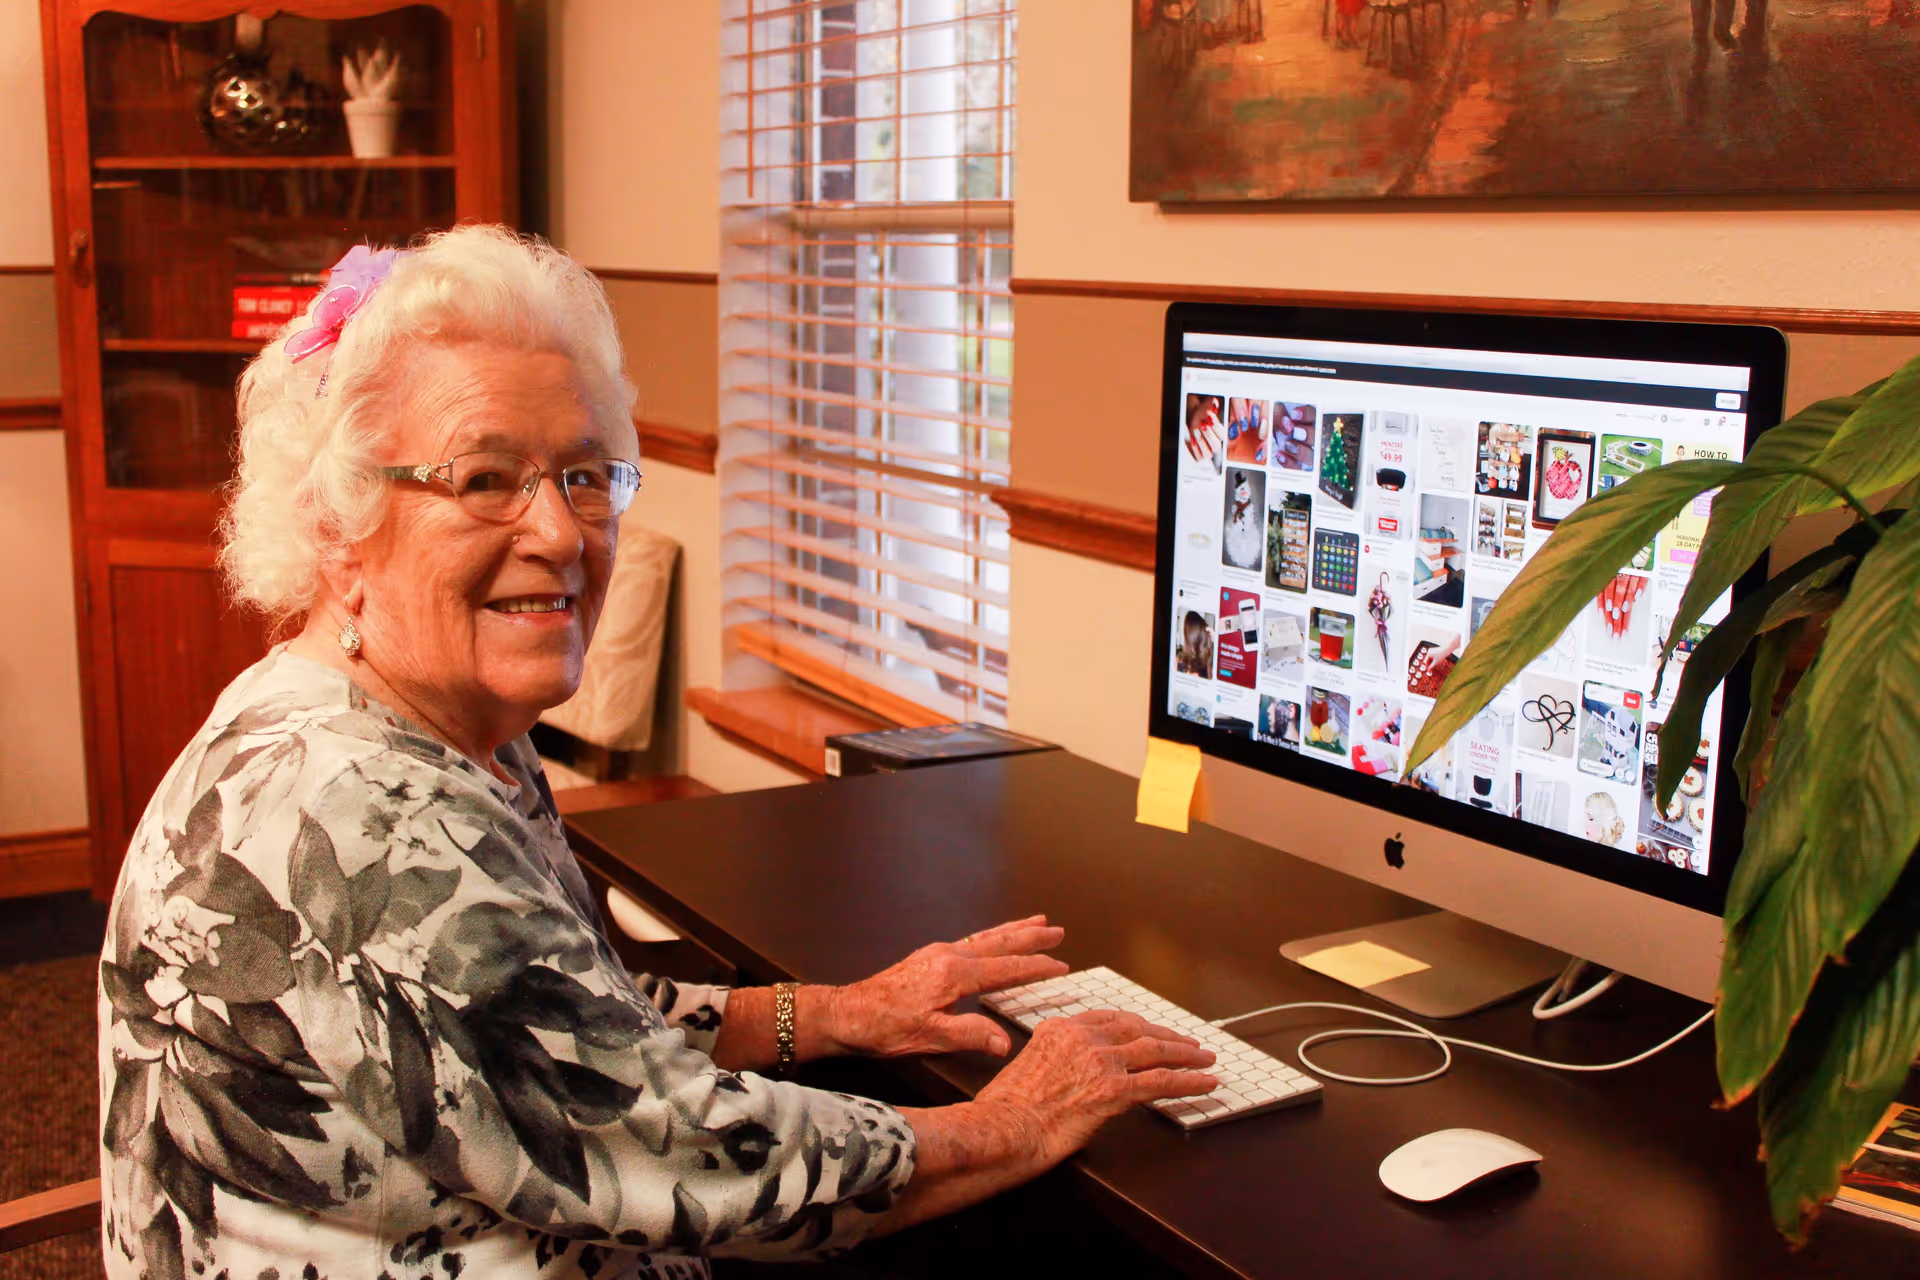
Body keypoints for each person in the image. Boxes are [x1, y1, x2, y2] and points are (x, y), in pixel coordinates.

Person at [97, 227, 1218, 1280]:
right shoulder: (368, 819)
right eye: (484, 479)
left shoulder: (420, 722)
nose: (556, 531)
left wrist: (832, 1012)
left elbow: (573, 1021)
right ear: (339, 531)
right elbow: (701, 1158)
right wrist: (1009, 1117)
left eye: (584, 474)